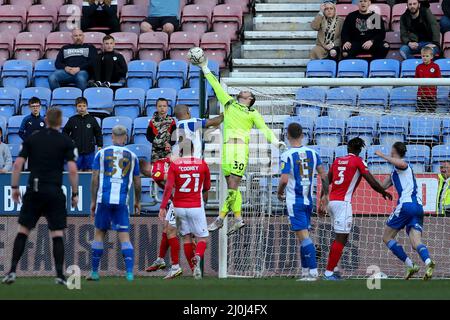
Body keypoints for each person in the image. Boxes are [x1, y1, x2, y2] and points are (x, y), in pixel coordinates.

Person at [196, 58, 286, 235]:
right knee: (230, 185)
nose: (243, 91)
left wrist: (275, 141)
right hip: (226, 149)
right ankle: (237, 218)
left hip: (239, 149)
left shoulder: (253, 113)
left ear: (250, 99)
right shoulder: (229, 104)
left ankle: (221, 218)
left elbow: (264, 129)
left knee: (234, 185)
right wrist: (205, 67)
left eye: (247, 92)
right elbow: (216, 86)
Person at [2, 108, 79, 285]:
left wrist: (14, 187)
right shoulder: (66, 141)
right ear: (60, 122)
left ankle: (12, 271)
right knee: (57, 233)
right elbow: (73, 170)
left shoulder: (33, 138)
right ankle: (59, 275)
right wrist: (74, 193)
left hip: (34, 189)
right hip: (54, 190)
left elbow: (17, 164)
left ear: (46, 119)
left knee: (23, 230)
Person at [323, 138, 392, 281]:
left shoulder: (337, 161)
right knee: (341, 238)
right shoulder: (358, 162)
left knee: (341, 237)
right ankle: (329, 273)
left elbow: (326, 180)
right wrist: (383, 192)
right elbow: (371, 181)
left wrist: (322, 198)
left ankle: (333, 268)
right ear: (360, 150)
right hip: (343, 204)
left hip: (332, 203)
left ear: (347, 147)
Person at [87, 125, 141, 282]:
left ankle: (95, 273)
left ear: (111, 136)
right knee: (124, 237)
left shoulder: (101, 154)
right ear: (125, 137)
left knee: (99, 234)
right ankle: (129, 274)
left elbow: (95, 178)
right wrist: (137, 201)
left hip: (103, 199)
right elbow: (137, 183)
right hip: (121, 201)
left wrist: (92, 201)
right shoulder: (132, 156)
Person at [276, 123, 329, 281]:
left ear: (287, 135)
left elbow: (284, 180)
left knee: (304, 237)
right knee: (303, 236)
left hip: (294, 202)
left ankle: (313, 273)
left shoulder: (286, 155)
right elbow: (324, 176)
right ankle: (305, 272)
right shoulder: (313, 153)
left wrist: (279, 193)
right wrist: (325, 197)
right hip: (308, 201)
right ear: (302, 135)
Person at [376, 142, 435, 280]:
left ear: (394, 151)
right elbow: (381, 186)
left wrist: (383, 156)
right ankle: (428, 262)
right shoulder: (394, 173)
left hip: (406, 206)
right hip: (418, 207)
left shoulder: (403, 165)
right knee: (416, 243)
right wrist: (365, 174)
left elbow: (401, 164)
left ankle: (410, 264)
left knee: (387, 237)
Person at [159, 139, 211, 280]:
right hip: (195, 205)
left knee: (186, 237)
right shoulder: (202, 164)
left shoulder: (175, 164)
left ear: (180, 151)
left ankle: (194, 270)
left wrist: (163, 207)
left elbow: (169, 187)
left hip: (179, 207)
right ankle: (198, 257)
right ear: (193, 150)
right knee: (203, 238)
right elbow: (207, 186)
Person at [144, 98, 177, 272]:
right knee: (157, 176)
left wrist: (169, 144)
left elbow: (176, 136)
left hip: (168, 155)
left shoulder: (172, 121)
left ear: (168, 107)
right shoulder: (152, 121)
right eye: (160, 106)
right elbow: (149, 136)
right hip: (156, 155)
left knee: (169, 176)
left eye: (164, 106)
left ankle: (170, 196)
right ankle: (169, 195)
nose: (162, 108)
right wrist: (159, 143)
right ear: (156, 108)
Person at [63, 97, 103, 171]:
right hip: (76, 152)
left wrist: (99, 145)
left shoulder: (92, 119)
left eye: (84, 106)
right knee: (75, 171)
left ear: (87, 107)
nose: (82, 108)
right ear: (76, 107)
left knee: (90, 172)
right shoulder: (72, 120)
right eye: (79, 106)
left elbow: (98, 133)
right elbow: (65, 132)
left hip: (89, 152)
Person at [415, 46, 441, 113]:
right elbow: (416, 80)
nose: (425, 58)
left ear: (431, 57)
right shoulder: (418, 67)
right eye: (423, 56)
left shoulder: (436, 66)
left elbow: (439, 79)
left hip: (431, 94)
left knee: (431, 112)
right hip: (421, 94)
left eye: (427, 56)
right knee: (420, 112)